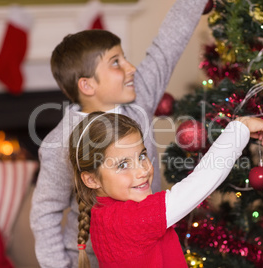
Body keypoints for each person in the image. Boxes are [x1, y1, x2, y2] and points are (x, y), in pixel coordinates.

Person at [30, 0, 211, 267]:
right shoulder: (59, 143)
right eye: (116, 62)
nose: (131, 68)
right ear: (87, 85)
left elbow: (165, 48)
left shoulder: (137, 100)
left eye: (124, 57)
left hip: (151, 249)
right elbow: (45, 214)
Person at [68, 112, 263, 268]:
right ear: (91, 179)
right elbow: (201, 182)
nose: (143, 170)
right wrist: (240, 128)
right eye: (123, 165)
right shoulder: (127, 220)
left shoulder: (105, 212)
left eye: (141, 156)